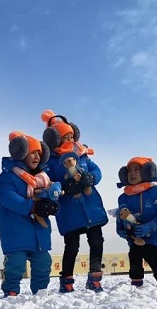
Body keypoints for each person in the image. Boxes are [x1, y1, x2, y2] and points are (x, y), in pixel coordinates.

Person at [41, 110, 108, 293]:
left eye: (71, 135)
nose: (70, 139)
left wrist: (90, 179)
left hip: (91, 208)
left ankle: (95, 276)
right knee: (72, 246)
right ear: (55, 140)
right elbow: (48, 182)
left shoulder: (83, 155)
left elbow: (97, 171)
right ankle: (66, 279)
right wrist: (66, 186)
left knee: (97, 242)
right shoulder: (50, 162)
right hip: (69, 212)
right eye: (65, 137)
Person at [0, 131, 59, 297]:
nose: (37, 156)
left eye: (39, 153)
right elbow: (7, 197)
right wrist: (31, 206)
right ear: (22, 153)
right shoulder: (8, 176)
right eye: (33, 152)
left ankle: (40, 291)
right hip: (16, 231)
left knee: (43, 263)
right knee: (16, 264)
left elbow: (50, 194)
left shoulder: (43, 178)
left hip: (39, 232)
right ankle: (11, 290)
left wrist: (51, 205)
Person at [115, 157, 157, 286]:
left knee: (150, 251)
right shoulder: (123, 197)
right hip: (137, 237)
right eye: (129, 170)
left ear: (147, 172)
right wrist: (122, 230)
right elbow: (121, 217)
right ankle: (136, 282)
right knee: (134, 253)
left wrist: (150, 226)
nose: (132, 173)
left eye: (137, 169)